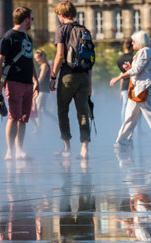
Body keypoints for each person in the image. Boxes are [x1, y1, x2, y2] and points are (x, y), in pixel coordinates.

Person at [110, 31, 151, 148]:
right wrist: (129, 68)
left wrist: (119, 77)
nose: (132, 43)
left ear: (139, 41)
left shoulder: (146, 51)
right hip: (137, 88)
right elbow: (138, 69)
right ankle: (123, 140)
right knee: (130, 115)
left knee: (150, 114)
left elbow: (137, 70)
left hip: (143, 88)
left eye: (133, 41)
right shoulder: (141, 52)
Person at [0, 7, 39, 161]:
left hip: (27, 83)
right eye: (32, 19)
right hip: (13, 82)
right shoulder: (9, 37)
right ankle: (10, 151)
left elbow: (30, 60)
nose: (32, 22)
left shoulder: (28, 38)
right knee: (13, 117)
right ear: (26, 19)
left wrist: (36, 80)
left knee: (24, 118)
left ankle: (20, 149)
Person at [50, 0, 92, 159]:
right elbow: (89, 59)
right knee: (83, 112)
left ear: (61, 14)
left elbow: (60, 55)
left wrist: (53, 76)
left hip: (67, 76)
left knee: (62, 111)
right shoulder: (84, 30)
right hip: (83, 76)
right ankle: (84, 149)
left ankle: (67, 147)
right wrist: (90, 83)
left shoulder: (61, 29)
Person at [31, 49, 55, 133]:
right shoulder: (42, 65)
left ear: (42, 56)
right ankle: (56, 122)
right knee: (43, 110)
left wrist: (35, 86)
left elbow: (40, 78)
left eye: (37, 58)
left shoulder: (44, 65)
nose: (36, 60)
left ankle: (38, 128)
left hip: (42, 90)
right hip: (43, 90)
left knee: (38, 109)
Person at [117, 39, 134, 123]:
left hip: (124, 85)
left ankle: (123, 124)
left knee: (124, 106)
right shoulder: (133, 58)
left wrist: (120, 90)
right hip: (134, 85)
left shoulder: (119, 60)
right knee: (136, 107)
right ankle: (137, 128)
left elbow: (122, 75)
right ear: (131, 47)